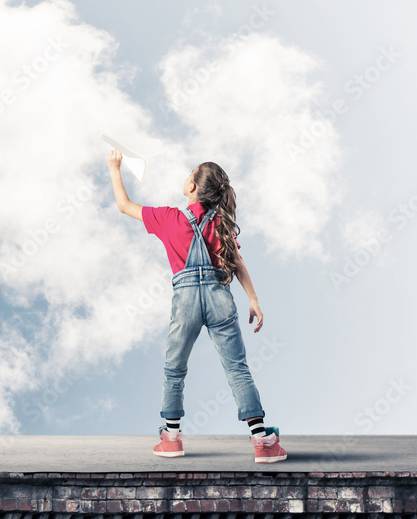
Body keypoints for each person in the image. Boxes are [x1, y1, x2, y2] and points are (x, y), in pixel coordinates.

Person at [106, 150, 286, 463]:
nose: (186, 176)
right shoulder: (221, 223)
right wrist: (253, 300)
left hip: (186, 301)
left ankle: (172, 438)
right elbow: (238, 261)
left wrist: (114, 167)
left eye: (190, 173)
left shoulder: (168, 218)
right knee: (237, 368)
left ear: (192, 188)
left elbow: (123, 205)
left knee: (174, 369)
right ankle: (263, 442)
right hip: (220, 298)